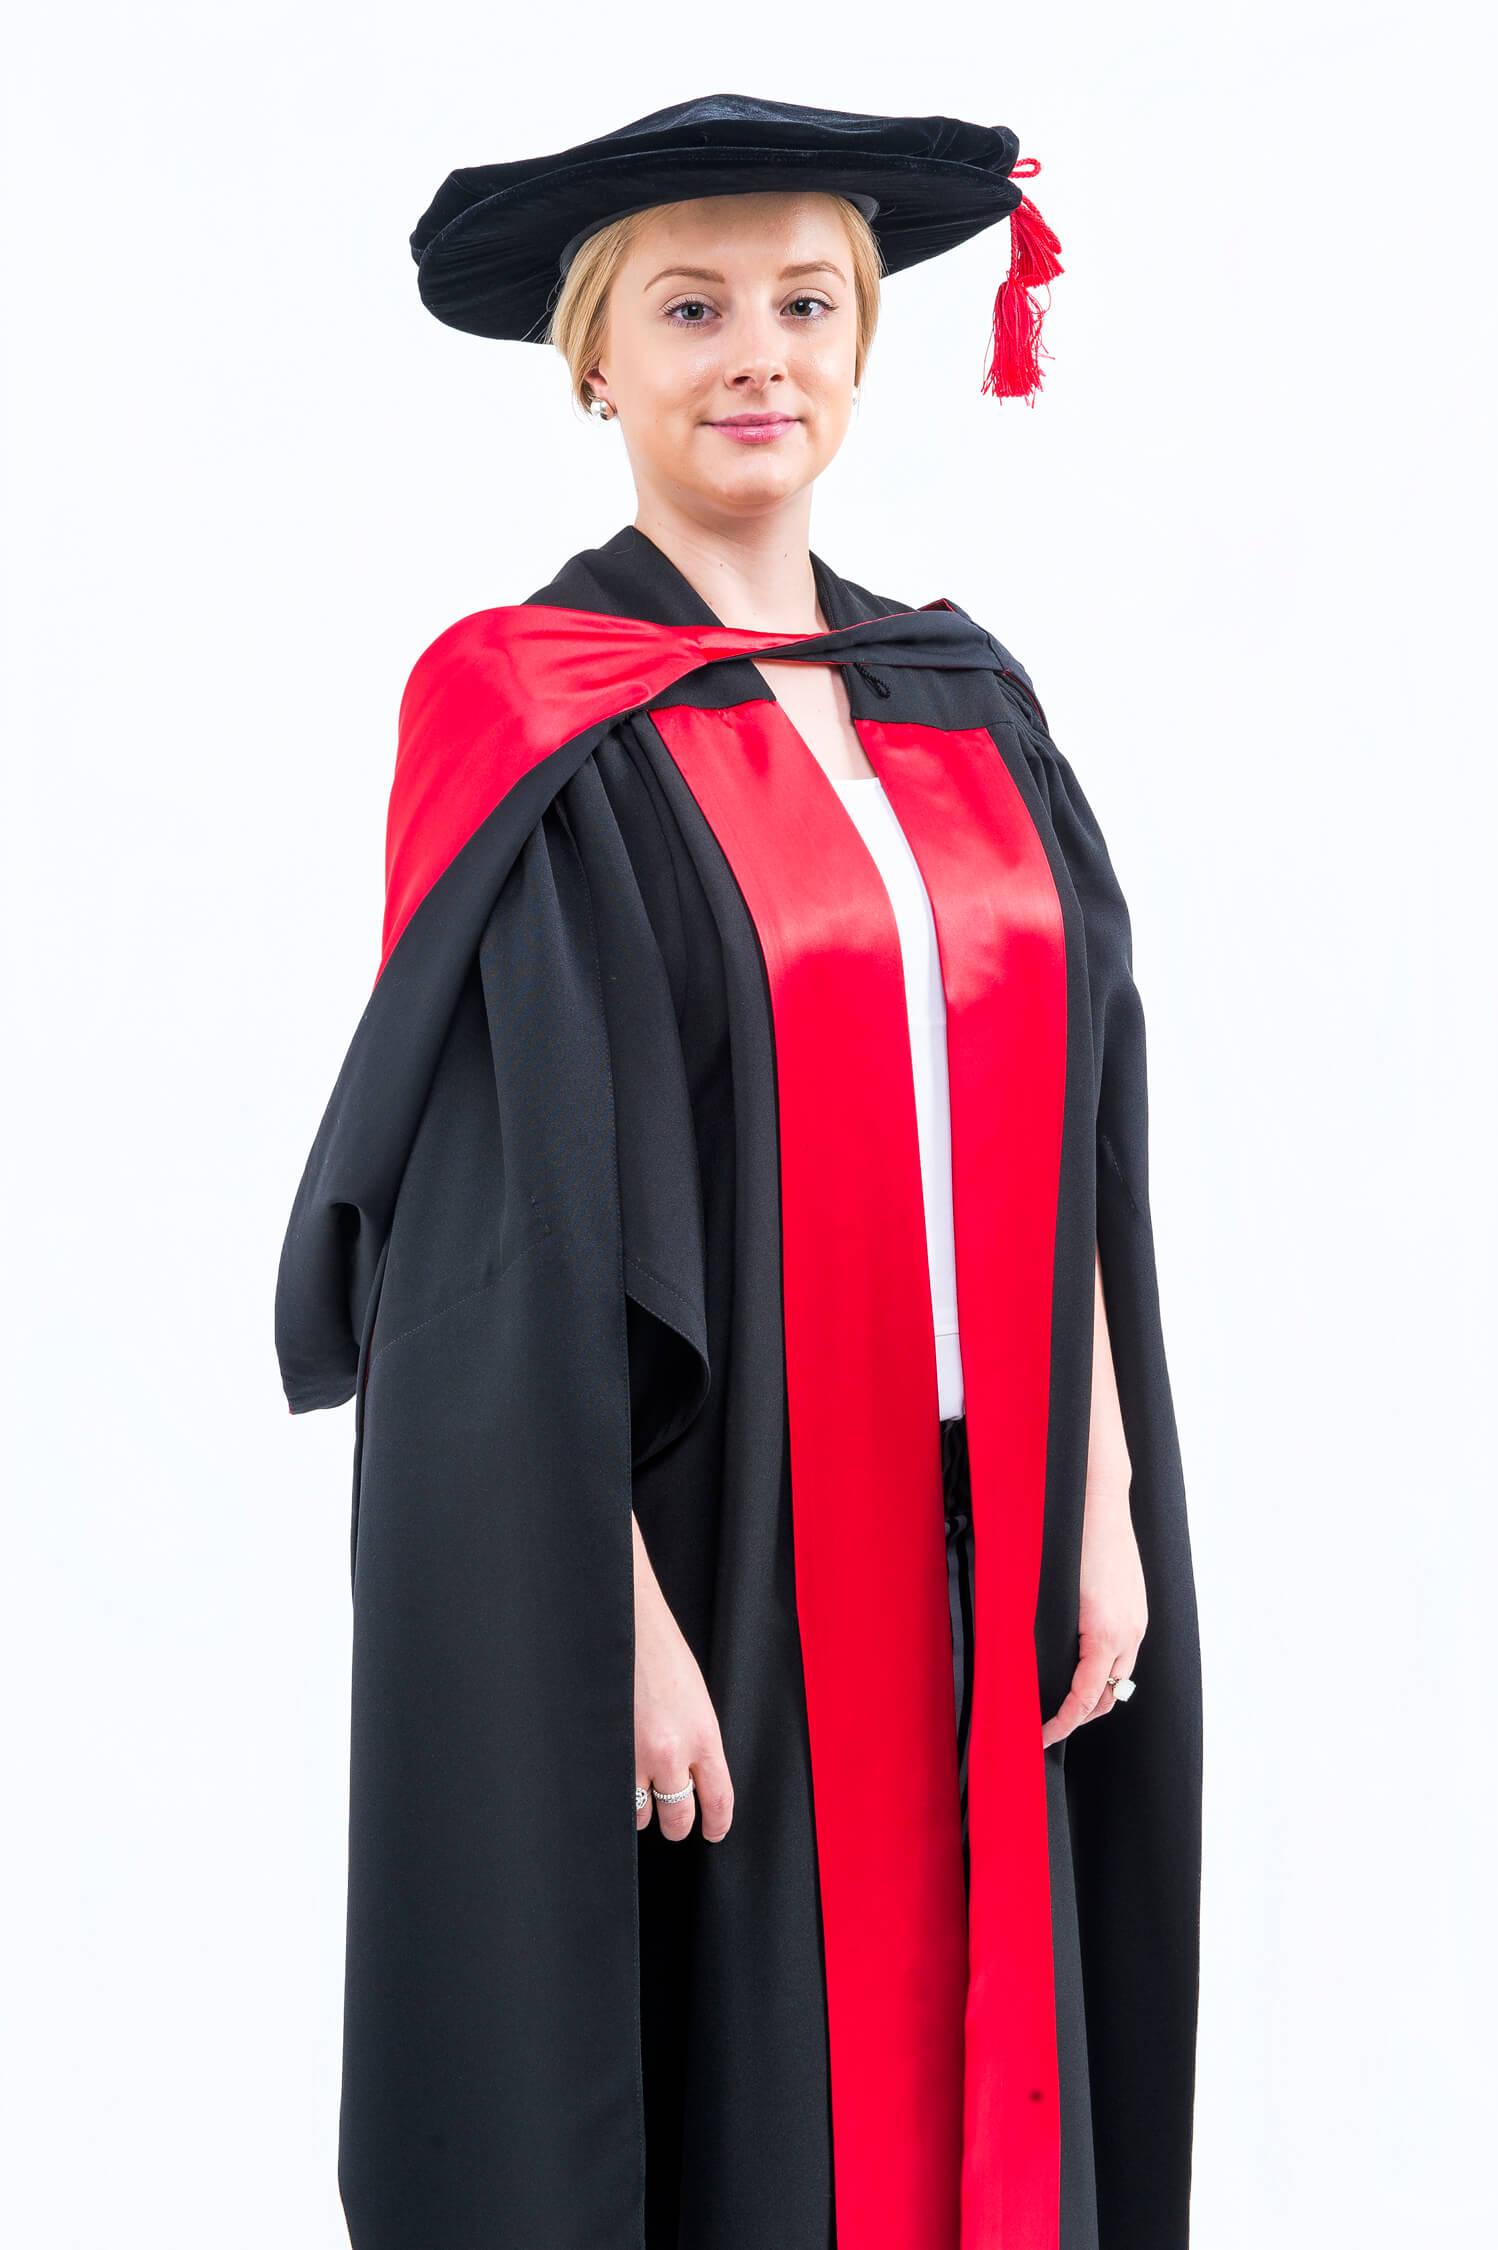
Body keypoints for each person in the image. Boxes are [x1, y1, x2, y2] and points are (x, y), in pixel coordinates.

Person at [275, 93, 1204, 2250]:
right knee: (744, 2112)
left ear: (866, 344)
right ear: (594, 356)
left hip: (983, 1537)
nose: (755, 355)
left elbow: (1060, 1113)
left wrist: (1096, 1492)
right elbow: (496, 1232)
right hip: (729, 1536)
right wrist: (610, 1616)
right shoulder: (533, 714)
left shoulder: (958, 696)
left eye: (804, 302)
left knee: (994, 2086)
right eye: (690, 309)